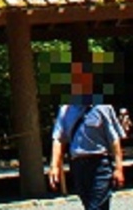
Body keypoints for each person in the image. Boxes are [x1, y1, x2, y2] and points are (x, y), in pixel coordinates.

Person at [47, 61, 126, 210]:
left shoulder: (103, 108)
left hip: (100, 164)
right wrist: (54, 166)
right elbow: (58, 138)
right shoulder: (65, 110)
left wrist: (119, 168)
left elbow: (114, 140)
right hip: (78, 165)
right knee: (90, 205)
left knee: (94, 207)